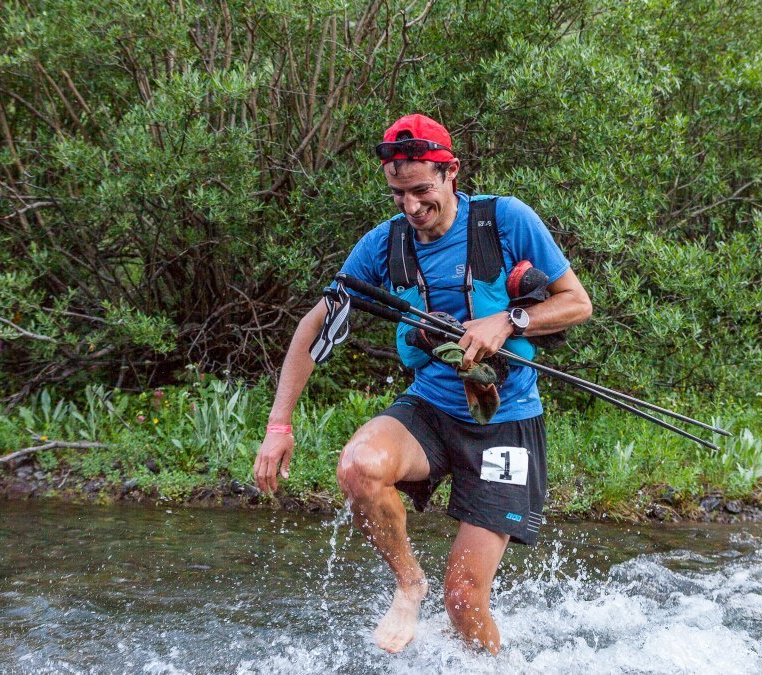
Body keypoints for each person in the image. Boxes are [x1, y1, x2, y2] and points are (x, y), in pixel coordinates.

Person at [253, 113, 592, 654]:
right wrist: (278, 425)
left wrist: (509, 321)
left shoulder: (504, 220)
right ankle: (409, 583)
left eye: (421, 190)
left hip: (505, 422)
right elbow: (312, 326)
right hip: (431, 408)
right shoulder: (382, 246)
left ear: (451, 171)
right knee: (359, 466)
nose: (411, 207)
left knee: (463, 601)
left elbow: (577, 302)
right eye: (398, 193)